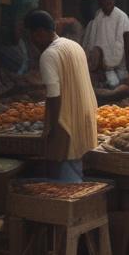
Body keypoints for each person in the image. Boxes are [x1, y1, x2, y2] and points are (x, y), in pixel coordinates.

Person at [25, 10, 98, 182]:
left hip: (65, 123)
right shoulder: (74, 46)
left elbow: (54, 95)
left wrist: (53, 129)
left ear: (40, 32)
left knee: (66, 182)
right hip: (84, 117)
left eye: (32, 36)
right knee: (75, 171)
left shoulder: (48, 55)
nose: (32, 42)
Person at [82, 0, 129, 91]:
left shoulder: (122, 17)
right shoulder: (97, 17)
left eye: (109, 0)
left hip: (120, 65)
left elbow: (128, 41)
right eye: (103, 1)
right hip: (102, 66)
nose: (107, 3)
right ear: (100, 3)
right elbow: (91, 41)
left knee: (119, 87)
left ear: (113, 0)